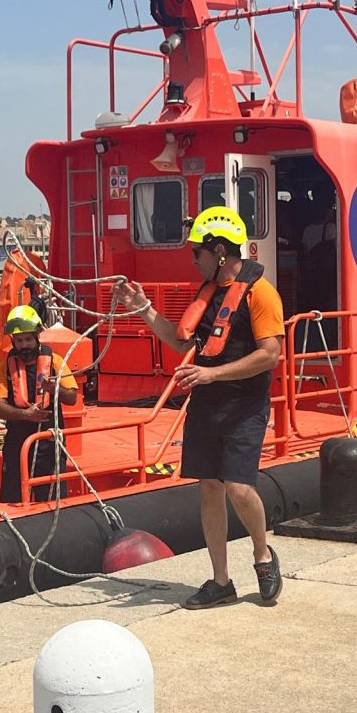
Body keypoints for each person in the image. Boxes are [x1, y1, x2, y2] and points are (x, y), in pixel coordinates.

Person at [113, 206, 284, 608]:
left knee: (239, 487)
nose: (192, 260)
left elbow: (269, 354)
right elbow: (181, 341)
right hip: (207, 404)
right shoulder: (207, 294)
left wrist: (211, 374)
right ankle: (221, 581)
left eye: (197, 252)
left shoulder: (261, 293)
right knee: (209, 487)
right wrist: (143, 308)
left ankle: (262, 555)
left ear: (220, 251)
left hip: (244, 404)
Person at [0, 305, 78, 503]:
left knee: (51, 498)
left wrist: (54, 389)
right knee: (12, 496)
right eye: (19, 341)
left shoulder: (55, 361)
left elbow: (72, 398)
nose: (24, 345)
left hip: (49, 443)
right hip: (17, 442)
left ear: (37, 336)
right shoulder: (4, 368)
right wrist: (25, 414)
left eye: (28, 339)